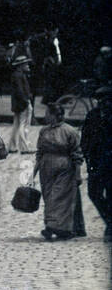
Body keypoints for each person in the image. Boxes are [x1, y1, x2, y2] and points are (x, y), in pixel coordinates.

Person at [35, 104, 86, 241]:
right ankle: (57, 227)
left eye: (48, 113)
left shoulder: (69, 131)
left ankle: (53, 227)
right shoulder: (43, 131)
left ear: (55, 115)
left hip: (64, 167)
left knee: (60, 197)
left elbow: (76, 154)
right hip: (46, 167)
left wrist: (77, 174)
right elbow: (39, 151)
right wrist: (34, 171)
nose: (45, 116)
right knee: (48, 196)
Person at [80, 87, 111, 241]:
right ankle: (109, 221)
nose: (103, 104)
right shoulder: (93, 116)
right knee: (94, 193)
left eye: (106, 100)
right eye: (100, 101)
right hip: (96, 163)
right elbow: (85, 137)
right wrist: (86, 155)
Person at [8, 58, 34, 155]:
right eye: (26, 64)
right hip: (22, 104)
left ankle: (12, 146)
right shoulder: (19, 76)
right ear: (21, 66)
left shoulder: (16, 75)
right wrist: (26, 101)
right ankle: (24, 147)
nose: (28, 66)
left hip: (18, 104)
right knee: (23, 125)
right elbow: (20, 91)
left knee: (16, 125)